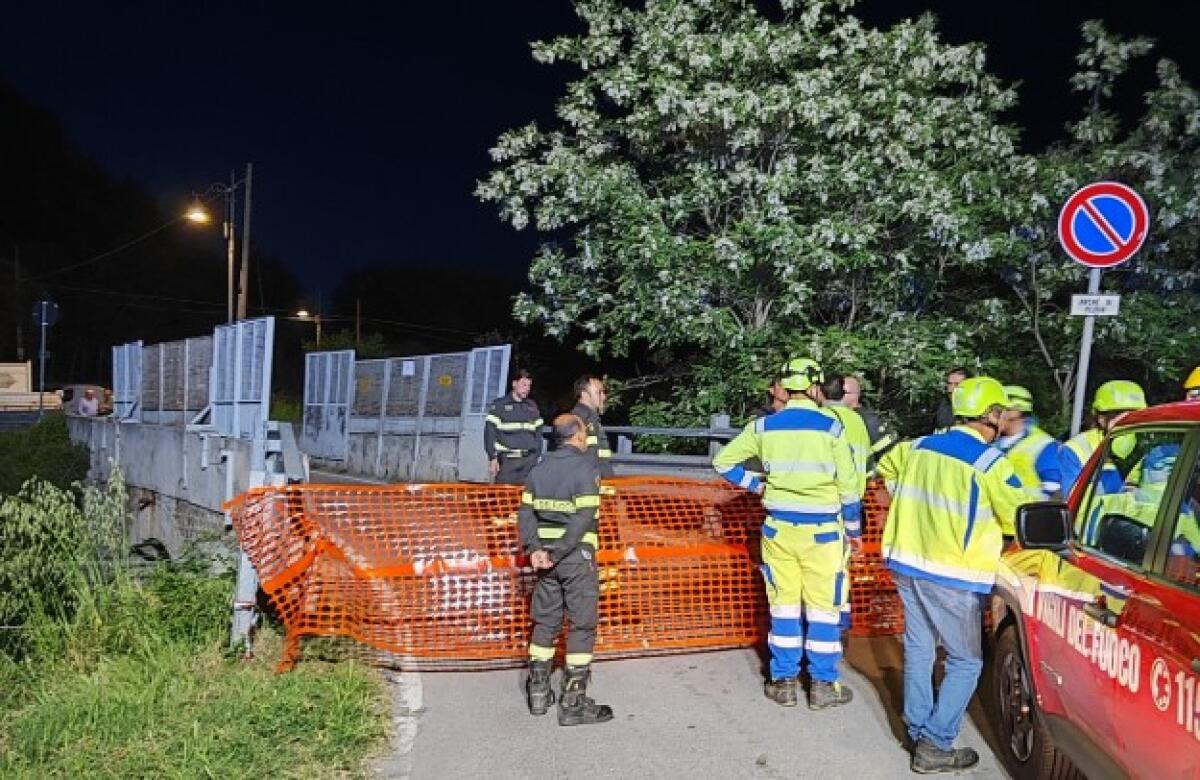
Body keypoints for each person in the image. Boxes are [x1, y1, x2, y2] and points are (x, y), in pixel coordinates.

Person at [882, 377, 1027, 773]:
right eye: (1003, 412)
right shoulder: (989, 463)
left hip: (907, 562)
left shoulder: (919, 446)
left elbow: (886, 467)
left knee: (920, 648)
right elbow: (1019, 515)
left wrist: (904, 504)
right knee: (966, 661)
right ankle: (935, 744)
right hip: (952, 574)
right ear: (991, 415)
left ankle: (917, 730)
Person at [713, 357, 862, 710]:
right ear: (814, 387)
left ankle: (784, 682)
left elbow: (722, 462)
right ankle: (823, 685)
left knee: (783, 606)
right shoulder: (832, 427)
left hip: (778, 531)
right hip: (824, 534)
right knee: (823, 610)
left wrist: (758, 486)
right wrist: (853, 530)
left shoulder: (764, 427)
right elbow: (849, 488)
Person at [519, 413, 613, 726]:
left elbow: (526, 513)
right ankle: (573, 704)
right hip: (575, 558)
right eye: (584, 433)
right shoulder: (586, 469)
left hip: (544, 560)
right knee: (582, 626)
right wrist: (558, 552)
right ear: (576, 436)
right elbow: (583, 518)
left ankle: (538, 694)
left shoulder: (538, 469)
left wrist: (535, 549)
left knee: (545, 622)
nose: (587, 438)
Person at [1059, 380, 1146, 497]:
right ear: (1101, 418)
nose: (1129, 419)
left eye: (1135, 413)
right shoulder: (1075, 449)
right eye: (1119, 413)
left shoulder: (1149, 445)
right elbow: (1073, 499)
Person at [995, 385, 1062, 499]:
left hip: (1029, 509)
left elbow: (1053, 489)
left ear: (1015, 412)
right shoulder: (991, 440)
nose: (995, 416)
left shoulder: (1043, 444)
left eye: (999, 410)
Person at [484, 369, 543, 485]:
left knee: (527, 496)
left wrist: (536, 456)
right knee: (503, 495)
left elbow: (538, 434)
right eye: (524, 384)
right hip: (508, 463)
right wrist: (492, 458)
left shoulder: (532, 406)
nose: (527, 388)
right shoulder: (499, 405)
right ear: (514, 384)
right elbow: (489, 433)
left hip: (529, 463)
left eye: (529, 385)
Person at [844, 374, 896, 467]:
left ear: (855, 395)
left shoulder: (869, 420)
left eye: (842, 392)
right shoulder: (835, 415)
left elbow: (890, 455)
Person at [571, 375, 614, 478]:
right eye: (599, 393)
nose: (603, 397)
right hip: (590, 482)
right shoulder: (578, 419)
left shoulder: (592, 419)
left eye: (604, 392)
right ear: (585, 395)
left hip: (601, 480)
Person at [932, 367, 969, 432]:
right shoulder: (942, 406)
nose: (950, 389)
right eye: (949, 384)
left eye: (957, 384)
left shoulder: (979, 409)